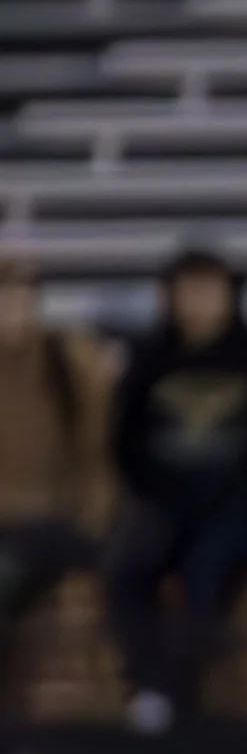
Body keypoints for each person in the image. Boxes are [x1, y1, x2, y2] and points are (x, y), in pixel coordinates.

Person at [104, 247, 247, 733]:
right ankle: (146, 690)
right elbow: (125, 444)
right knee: (127, 568)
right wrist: (153, 493)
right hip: (168, 501)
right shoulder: (149, 361)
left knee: (204, 569)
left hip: (243, 507)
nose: (197, 302)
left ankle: (180, 698)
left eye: (208, 289)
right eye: (187, 290)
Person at [0, 258, 112, 667]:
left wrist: (90, 521)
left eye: (19, 299)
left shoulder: (68, 364)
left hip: (55, 524)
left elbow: (99, 456)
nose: (10, 310)